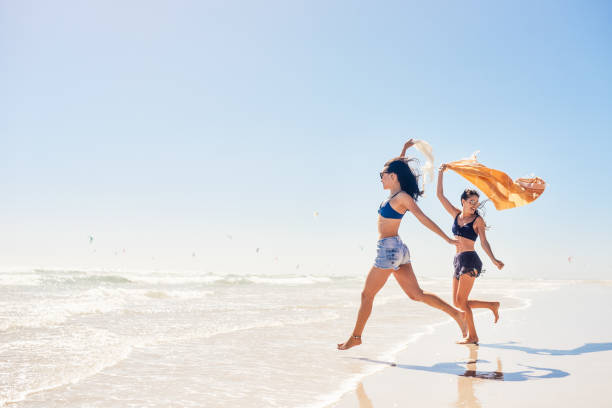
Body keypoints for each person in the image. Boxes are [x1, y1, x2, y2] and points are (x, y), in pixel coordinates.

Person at [337, 140, 467, 350]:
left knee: (366, 295)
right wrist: (404, 150)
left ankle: (356, 336)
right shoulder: (395, 194)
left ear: (393, 176)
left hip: (388, 250)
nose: (380, 178)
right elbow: (395, 166)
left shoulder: (402, 198)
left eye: (382, 175)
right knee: (417, 295)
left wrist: (447, 239)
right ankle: (457, 315)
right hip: (398, 250)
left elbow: (423, 218)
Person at [437, 163, 504, 344]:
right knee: (458, 303)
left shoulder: (477, 220)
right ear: (463, 202)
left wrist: (494, 259)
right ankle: (491, 305)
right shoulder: (455, 214)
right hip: (458, 261)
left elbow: (483, 242)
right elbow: (440, 196)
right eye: (471, 201)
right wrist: (441, 173)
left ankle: (473, 336)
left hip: (470, 260)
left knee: (462, 301)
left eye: (476, 202)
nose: (474, 205)